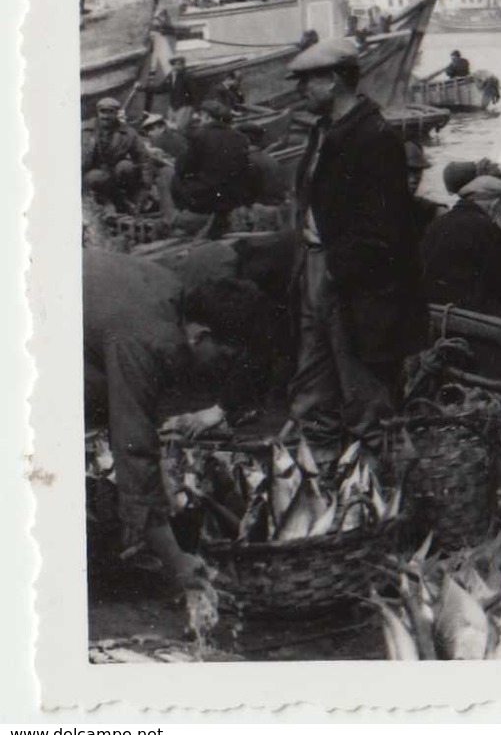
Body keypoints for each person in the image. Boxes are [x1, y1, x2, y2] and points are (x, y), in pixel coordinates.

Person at [83, 249, 270, 589]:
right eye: (224, 357)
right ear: (200, 335)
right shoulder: (147, 338)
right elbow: (133, 445)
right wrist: (175, 559)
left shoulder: (173, 297)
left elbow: (141, 406)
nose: (222, 368)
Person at [285, 38, 427, 449]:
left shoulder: (374, 137)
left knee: (365, 396)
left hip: (355, 286)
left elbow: (383, 229)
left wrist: (335, 271)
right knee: (312, 388)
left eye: (306, 82)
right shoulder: (324, 132)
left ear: (332, 81)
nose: (300, 91)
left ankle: (378, 491)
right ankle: (324, 483)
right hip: (317, 268)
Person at [420, 176, 501, 320]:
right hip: (464, 309)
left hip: (432, 304)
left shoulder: (439, 223)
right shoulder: (484, 226)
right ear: (495, 204)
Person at [170, 99, 254, 231]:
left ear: (208, 117)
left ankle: (183, 217)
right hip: (235, 197)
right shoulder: (240, 137)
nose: (198, 118)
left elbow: (182, 167)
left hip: (208, 198)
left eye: (201, 115)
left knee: (175, 178)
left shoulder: (199, 137)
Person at [82, 97, 147, 209]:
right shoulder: (85, 130)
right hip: (92, 174)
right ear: (97, 112)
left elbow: (143, 158)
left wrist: (146, 186)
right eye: (103, 112)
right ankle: (109, 201)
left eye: (110, 112)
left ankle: (127, 199)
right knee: (96, 176)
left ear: (117, 113)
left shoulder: (128, 133)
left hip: (115, 173)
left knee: (126, 166)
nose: (106, 116)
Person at [403, 141, 442, 241]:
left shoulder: (428, 209)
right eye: (408, 172)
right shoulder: (378, 207)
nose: (414, 179)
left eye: (417, 172)